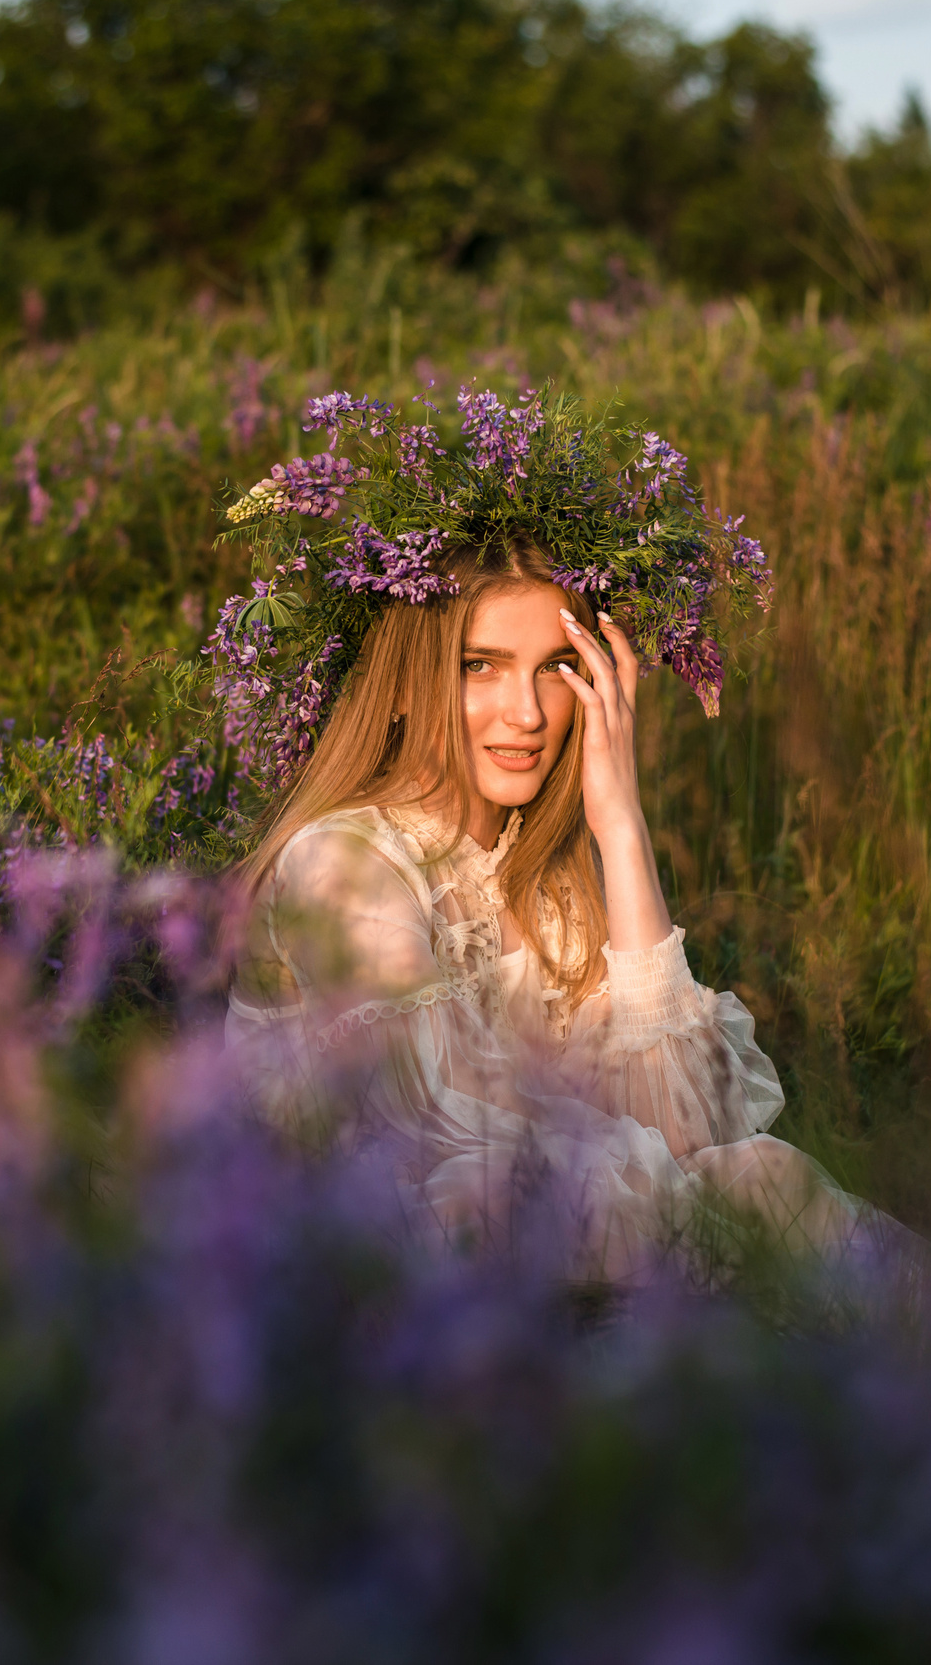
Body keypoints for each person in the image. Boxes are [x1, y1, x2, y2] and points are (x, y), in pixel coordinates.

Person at [223, 537, 876, 1287]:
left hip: (525, 1264)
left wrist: (621, 825)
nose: (527, 713)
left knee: (765, 1183)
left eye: (556, 669)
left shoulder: (541, 877)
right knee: (765, 1194)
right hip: (364, 1293)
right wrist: (711, 1204)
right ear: (401, 684)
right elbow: (447, 1131)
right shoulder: (342, 862)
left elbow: (690, 1131)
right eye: (480, 666)